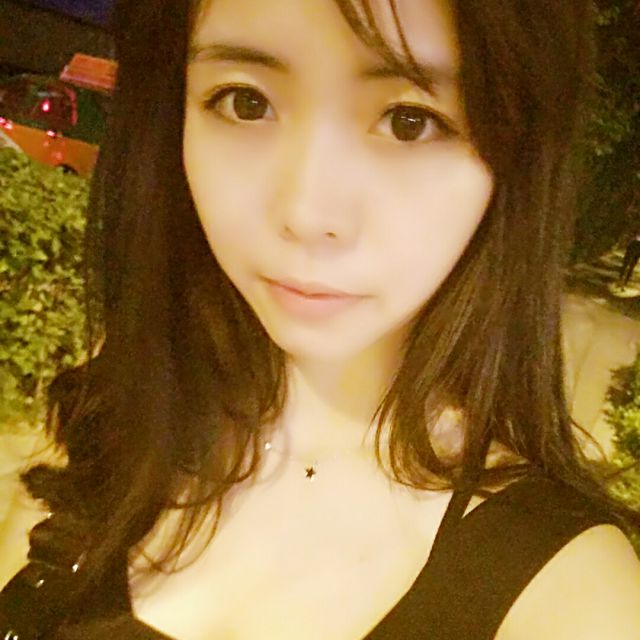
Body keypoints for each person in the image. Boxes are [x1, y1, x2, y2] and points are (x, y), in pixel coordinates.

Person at [1, 0, 640, 638]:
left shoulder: (573, 599)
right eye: (245, 102)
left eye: (410, 122)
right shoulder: (119, 418)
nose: (307, 214)